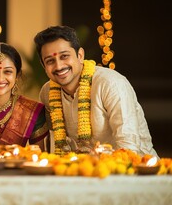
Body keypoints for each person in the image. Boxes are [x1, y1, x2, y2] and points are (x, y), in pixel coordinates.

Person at [34, 25, 158, 157]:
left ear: (80, 55)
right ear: (44, 66)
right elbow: (56, 144)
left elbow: (128, 145)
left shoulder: (110, 83)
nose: (58, 66)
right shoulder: (47, 92)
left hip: (135, 170)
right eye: (50, 61)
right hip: (83, 172)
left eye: (64, 56)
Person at [0, 43, 49, 154]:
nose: (0, 78)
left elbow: (38, 159)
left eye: (8, 71)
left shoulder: (32, 111)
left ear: (17, 76)